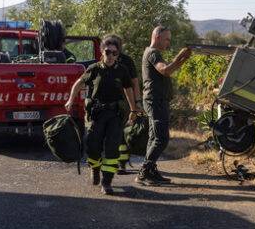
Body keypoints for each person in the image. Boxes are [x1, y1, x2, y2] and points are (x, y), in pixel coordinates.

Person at [65, 36, 140, 194]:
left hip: (115, 114)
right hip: (97, 114)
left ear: (117, 54)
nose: (111, 55)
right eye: (108, 52)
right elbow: (79, 83)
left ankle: (107, 182)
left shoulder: (122, 70)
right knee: (93, 146)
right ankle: (95, 168)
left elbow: (128, 89)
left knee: (112, 149)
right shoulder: (94, 69)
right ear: (102, 51)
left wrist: (133, 109)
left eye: (114, 53)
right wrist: (70, 100)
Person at [135, 26, 192, 185]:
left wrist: (183, 59)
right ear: (157, 37)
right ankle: (144, 172)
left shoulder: (153, 53)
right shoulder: (153, 53)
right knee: (161, 138)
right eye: (167, 39)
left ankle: (150, 170)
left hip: (158, 101)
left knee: (154, 137)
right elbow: (165, 70)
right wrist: (180, 56)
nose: (168, 42)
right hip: (155, 101)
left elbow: (168, 71)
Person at [106, 34, 142, 174]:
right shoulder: (103, 60)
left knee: (121, 133)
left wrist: (137, 103)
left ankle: (121, 163)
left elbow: (134, 82)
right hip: (108, 103)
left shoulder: (127, 61)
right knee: (112, 134)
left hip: (124, 103)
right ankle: (116, 162)